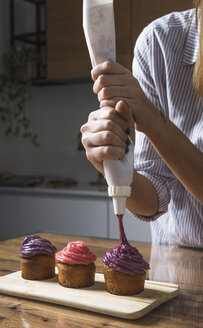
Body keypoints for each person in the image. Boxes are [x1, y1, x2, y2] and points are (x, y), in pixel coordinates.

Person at [80, 0, 203, 248]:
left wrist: (153, 120)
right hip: (174, 263)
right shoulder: (159, 42)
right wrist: (112, 166)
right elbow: (152, 199)